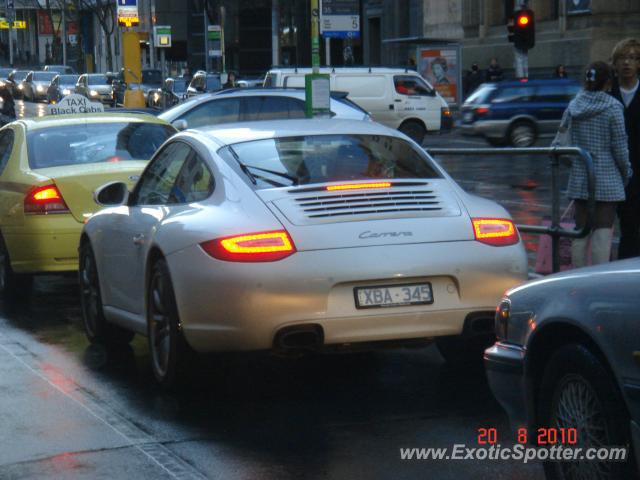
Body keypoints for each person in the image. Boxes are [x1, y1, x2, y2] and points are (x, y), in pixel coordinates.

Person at [561, 61, 631, 267]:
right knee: (602, 234)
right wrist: (626, 172)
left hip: (581, 177)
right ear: (608, 82)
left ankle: (577, 277)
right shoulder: (613, 108)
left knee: (580, 232)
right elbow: (620, 147)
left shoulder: (574, 106)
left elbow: (562, 140)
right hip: (608, 179)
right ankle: (599, 278)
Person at [609, 38, 640, 259]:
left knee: (633, 227)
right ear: (615, 63)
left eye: (633, 58)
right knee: (607, 228)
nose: (627, 63)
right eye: (623, 58)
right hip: (611, 171)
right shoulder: (607, 91)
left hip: (637, 170)